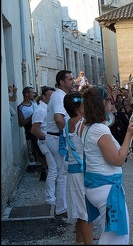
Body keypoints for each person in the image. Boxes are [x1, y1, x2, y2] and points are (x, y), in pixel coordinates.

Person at [82, 87, 133, 244]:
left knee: (112, 234)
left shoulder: (89, 127)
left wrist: (124, 148)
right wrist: (129, 134)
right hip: (106, 188)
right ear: (102, 103)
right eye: (109, 100)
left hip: (98, 185)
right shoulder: (99, 130)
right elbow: (117, 160)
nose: (112, 102)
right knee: (117, 237)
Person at [63, 92, 95, 245]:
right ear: (77, 107)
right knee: (85, 212)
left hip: (72, 171)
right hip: (82, 173)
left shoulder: (68, 122)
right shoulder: (81, 124)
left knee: (79, 210)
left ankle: (80, 240)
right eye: (83, 104)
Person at [45, 70, 75, 217]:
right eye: (70, 79)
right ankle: (61, 208)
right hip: (57, 138)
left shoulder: (62, 95)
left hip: (57, 137)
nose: (73, 81)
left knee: (62, 172)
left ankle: (63, 205)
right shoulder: (58, 96)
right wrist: (68, 135)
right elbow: (58, 118)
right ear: (62, 82)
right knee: (62, 173)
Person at [31, 86, 56, 184]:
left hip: (50, 141)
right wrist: (48, 139)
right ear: (44, 97)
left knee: (55, 170)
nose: (52, 98)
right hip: (46, 142)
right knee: (53, 170)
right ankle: (49, 197)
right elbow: (34, 130)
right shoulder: (40, 110)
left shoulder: (49, 108)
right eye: (50, 96)